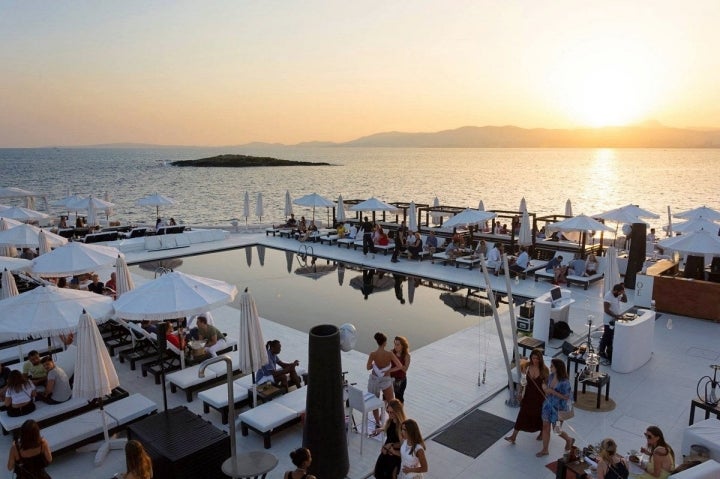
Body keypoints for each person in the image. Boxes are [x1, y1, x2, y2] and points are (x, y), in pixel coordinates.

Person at [505, 348, 549, 444]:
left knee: (539, 416)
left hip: (539, 397)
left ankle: (541, 432)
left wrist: (547, 397)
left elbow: (547, 385)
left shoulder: (544, 370)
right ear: (531, 358)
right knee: (521, 415)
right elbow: (523, 381)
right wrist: (520, 393)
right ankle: (513, 436)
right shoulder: (527, 367)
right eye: (533, 358)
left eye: (537, 358)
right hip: (528, 395)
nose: (535, 360)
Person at [537, 358, 574, 457]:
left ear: (557, 367)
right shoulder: (551, 376)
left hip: (558, 409)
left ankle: (569, 439)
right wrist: (544, 387)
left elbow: (567, 397)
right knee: (545, 427)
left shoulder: (565, 382)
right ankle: (545, 449)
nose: (550, 367)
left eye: (552, 366)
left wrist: (553, 392)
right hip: (547, 406)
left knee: (556, 430)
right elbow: (545, 385)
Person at [367, 332, 403, 425]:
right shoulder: (389, 354)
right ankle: (394, 421)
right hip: (386, 379)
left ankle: (378, 423)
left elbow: (368, 367)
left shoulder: (373, 354)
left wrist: (375, 365)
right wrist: (389, 370)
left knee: (374, 402)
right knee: (392, 402)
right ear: (385, 343)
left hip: (374, 379)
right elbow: (399, 366)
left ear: (377, 342)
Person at [373, 399, 406, 479]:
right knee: (377, 472)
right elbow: (389, 429)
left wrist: (390, 445)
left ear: (397, 412)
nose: (389, 414)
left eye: (391, 412)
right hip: (386, 450)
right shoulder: (390, 421)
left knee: (389, 475)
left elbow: (404, 444)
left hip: (394, 454)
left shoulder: (402, 426)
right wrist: (381, 429)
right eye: (388, 412)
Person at [600, 283, 627, 363]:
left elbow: (625, 300)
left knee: (611, 336)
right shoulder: (608, 296)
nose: (620, 295)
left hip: (615, 319)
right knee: (606, 336)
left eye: (621, 293)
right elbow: (606, 310)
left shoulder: (617, 295)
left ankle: (609, 350)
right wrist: (616, 316)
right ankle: (601, 351)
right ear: (615, 291)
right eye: (619, 293)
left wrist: (623, 292)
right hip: (608, 320)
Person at [390, 336, 411, 403]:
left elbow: (405, 369)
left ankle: (400, 413)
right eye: (395, 344)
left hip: (400, 380)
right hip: (390, 378)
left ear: (402, 345)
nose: (395, 346)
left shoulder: (407, 356)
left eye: (398, 344)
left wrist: (398, 363)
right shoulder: (391, 352)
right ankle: (388, 412)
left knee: (399, 398)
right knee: (387, 396)